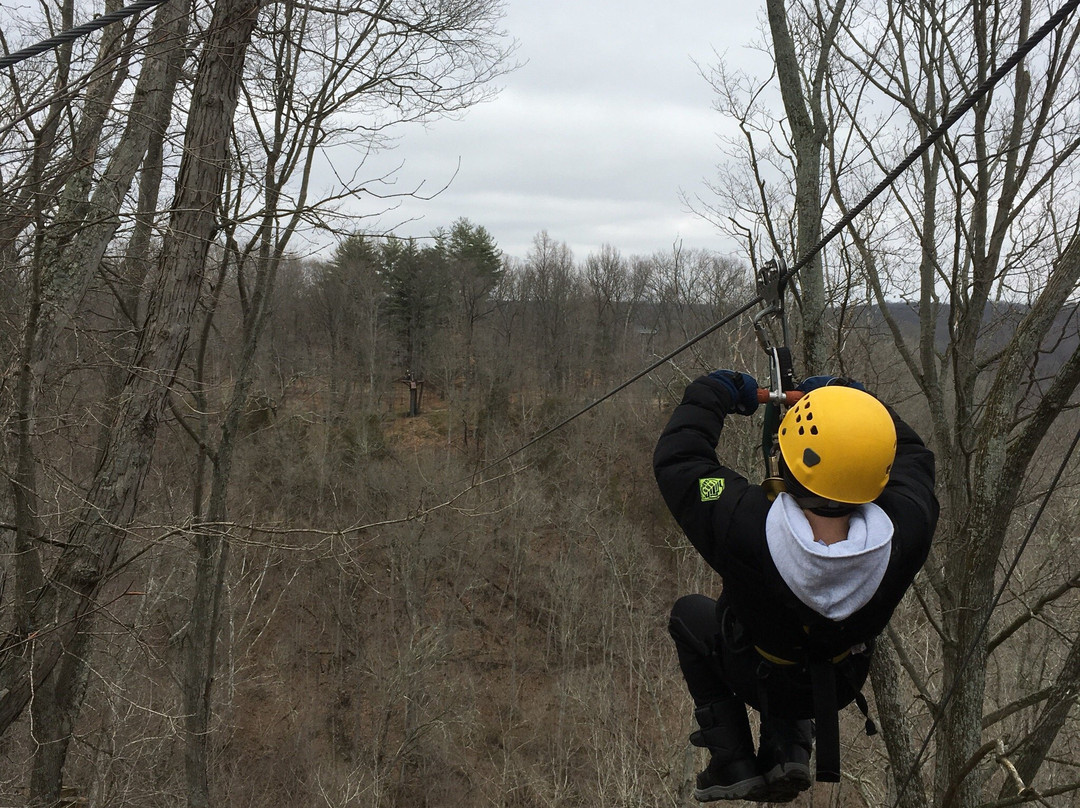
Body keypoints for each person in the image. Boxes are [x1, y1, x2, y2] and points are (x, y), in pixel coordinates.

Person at [653, 370, 938, 802]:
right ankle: (789, 748)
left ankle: (732, 760)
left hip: (756, 675)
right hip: (838, 683)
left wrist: (713, 394)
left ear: (787, 466)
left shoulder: (741, 518)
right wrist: (851, 403)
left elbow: (683, 462)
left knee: (688, 614)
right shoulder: (908, 527)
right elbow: (913, 458)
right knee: (799, 635)